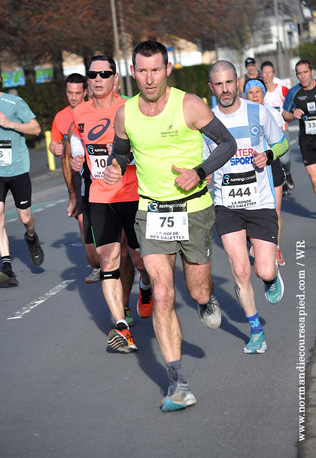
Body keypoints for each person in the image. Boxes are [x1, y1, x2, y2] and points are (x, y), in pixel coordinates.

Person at [104, 40, 236, 412]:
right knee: (162, 293)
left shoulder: (189, 104)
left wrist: (198, 172)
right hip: (152, 212)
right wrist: (117, 164)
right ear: (133, 72)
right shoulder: (125, 113)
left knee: (195, 291)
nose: (149, 78)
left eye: (156, 70)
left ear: (168, 69)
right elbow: (123, 150)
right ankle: (178, 383)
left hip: (193, 209)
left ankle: (205, 300)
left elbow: (227, 143)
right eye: (142, 70)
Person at [71, 54, 152, 353]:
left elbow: (146, 149)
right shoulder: (79, 113)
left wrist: (122, 157)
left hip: (133, 194)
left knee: (142, 261)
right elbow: (77, 146)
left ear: (115, 78)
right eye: (92, 75)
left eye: (104, 74)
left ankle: (145, 287)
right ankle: (121, 326)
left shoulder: (131, 107)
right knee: (108, 261)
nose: (98, 79)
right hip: (100, 197)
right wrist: (77, 157)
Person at [206, 61, 287, 356]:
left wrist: (267, 154)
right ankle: (255, 331)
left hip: (260, 202)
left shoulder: (258, 112)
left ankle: (270, 277)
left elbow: (282, 144)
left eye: (229, 82)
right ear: (211, 88)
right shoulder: (207, 122)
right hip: (227, 205)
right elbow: (205, 165)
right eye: (219, 84)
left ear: (237, 82)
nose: (225, 89)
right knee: (240, 270)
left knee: (263, 270)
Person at [49, 73, 101, 283]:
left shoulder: (94, 110)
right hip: (78, 176)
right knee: (82, 221)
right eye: (70, 93)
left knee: (105, 219)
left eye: (77, 93)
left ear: (85, 92)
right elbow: (54, 144)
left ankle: (117, 258)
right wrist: (55, 147)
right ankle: (96, 266)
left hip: (100, 172)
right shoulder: (60, 116)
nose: (73, 97)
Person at [0, 65, 44, 286]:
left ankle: (31, 238)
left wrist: (9, 123)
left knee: (25, 218)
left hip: (17, 169)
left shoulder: (14, 103)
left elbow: (35, 129)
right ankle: (7, 267)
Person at [244, 78, 288, 266]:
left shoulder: (272, 113)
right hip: (249, 169)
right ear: (246, 95)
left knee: (274, 211)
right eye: (250, 93)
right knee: (250, 212)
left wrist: (268, 154)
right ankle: (257, 242)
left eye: (258, 92)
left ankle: (276, 248)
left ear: (264, 94)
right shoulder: (240, 115)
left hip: (271, 166)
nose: (254, 96)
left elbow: (281, 143)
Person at [261, 61, 295, 193]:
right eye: (265, 72)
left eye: (270, 72)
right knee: (272, 159)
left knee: (285, 159)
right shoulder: (260, 92)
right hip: (266, 131)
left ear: (273, 74)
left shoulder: (282, 89)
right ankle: (278, 183)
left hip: (282, 128)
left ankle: (287, 172)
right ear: (262, 74)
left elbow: (292, 105)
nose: (267, 75)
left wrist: (291, 115)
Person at [282, 59, 316, 194]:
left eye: (306, 72)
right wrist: (293, 115)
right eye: (299, 73)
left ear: (312, 72)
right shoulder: (293, 93)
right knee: (314, 179)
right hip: (307, 141)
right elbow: (285, 115)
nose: (303, 76)